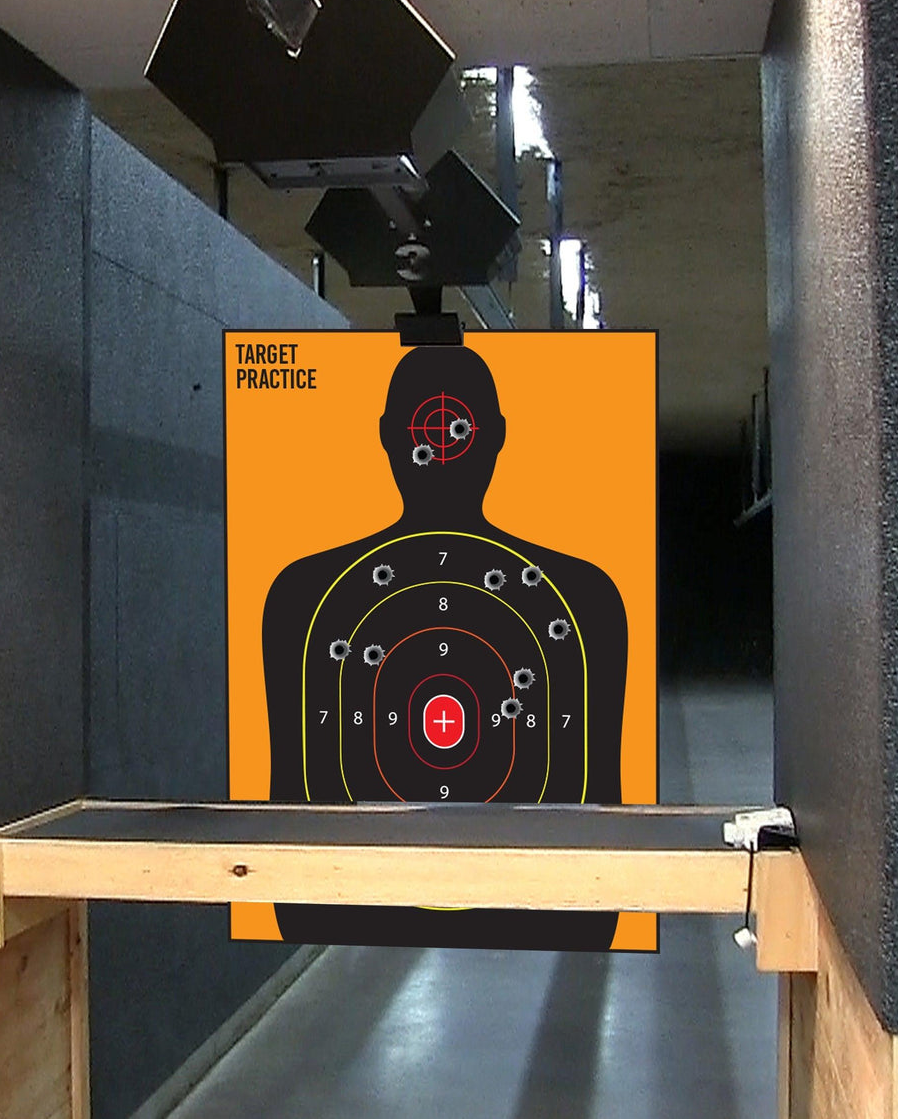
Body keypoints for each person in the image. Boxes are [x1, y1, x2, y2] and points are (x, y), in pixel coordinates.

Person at [262, 343, 628, 949]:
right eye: (428, 428)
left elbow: (304, 895)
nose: (439, 443)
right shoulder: (585, 597)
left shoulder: (304, 595)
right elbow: (590, 892)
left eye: (455, 427)